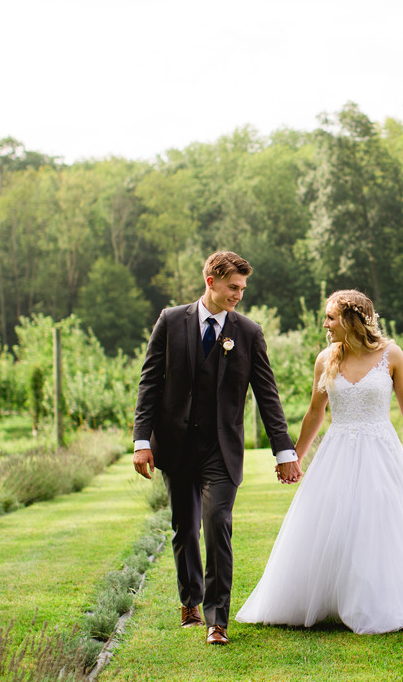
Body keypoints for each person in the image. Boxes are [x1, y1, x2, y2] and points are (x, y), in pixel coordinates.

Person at [235, 289, 403, 634]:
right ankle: (330, 597)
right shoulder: (325, 358)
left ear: (352, 320)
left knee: (380, 519)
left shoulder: (391, 355)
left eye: (331, 317)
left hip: (381, 451)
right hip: (338, 451)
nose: (325, 324)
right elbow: (316, 412)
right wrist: (295, 456)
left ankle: (377, 599)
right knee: (334, 519)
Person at [133, 251, 302, 647]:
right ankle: (189, 600)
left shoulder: (248, 333)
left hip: (222, 451)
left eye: (243, 288)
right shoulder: (171, 321)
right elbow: (149, 383)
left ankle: (217, 619)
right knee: (185, 527)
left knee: (218, 526)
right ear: (211, 281)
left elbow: (267, 396)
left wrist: (284, 450)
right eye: (233, 287)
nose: (238, 295)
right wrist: (142, 441)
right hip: (174, 446)